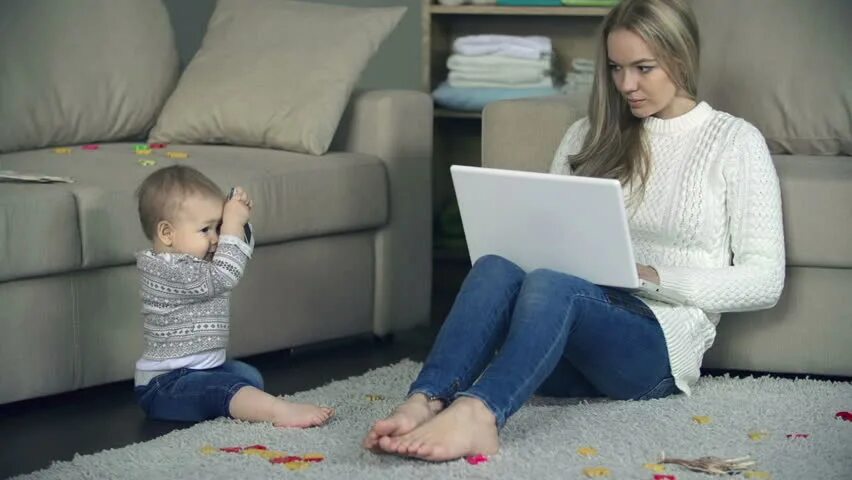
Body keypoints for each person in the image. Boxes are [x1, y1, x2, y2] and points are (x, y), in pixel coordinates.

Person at [363, 0, 785, 462]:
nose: (627, 85)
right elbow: (548, 239)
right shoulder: (589, 135)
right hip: (565, 343)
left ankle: (480, 414)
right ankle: (426, 399)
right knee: (495, 267)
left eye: (644, 68)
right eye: (616, 68)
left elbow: (765, 280)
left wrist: (650, 276)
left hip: (654, 349)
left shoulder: (734, 141)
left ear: (680, 58)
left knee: (553, 285)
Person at [133, 165, 333, 427]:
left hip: (202, 370)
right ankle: (277, 411)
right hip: (165, 385)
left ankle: (233, 403)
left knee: (248, 377)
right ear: (167, 234)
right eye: (206, 229)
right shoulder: (168, 270)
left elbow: (235, 254)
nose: (217, 239)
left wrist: (238, 222)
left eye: (219, 228)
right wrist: (233, 224)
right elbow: (224, 274)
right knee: (225, 388)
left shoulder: (195, 259)